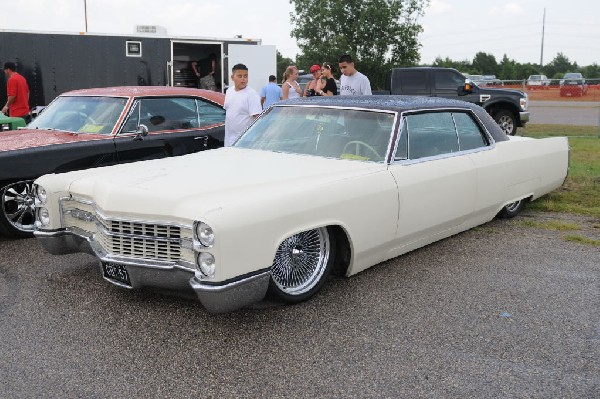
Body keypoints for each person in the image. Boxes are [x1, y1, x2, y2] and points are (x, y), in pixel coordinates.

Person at [223, 63, 262, 146]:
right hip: (229, 141)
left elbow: (258, 119)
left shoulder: (252, 94)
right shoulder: (229, 91)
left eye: (245, 76)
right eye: (240, 76)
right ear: (232, 77)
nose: (243, 79)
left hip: (245, 143)